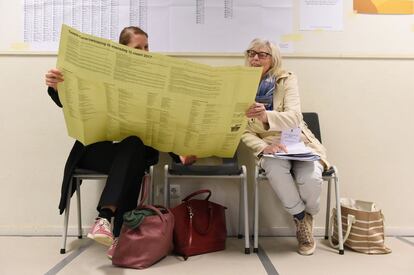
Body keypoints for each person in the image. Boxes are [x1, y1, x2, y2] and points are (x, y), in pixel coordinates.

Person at [45, 26, 196, 258]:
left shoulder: (154, 83)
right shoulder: (102, 74)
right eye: (138, 48)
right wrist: (56, 87)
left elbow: (163, 124)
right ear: (122, 50)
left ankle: (105, 218)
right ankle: (118, 235)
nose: (145, 52)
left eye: (147, 47)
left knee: (134, 146)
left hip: (131, 152)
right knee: (133, 156)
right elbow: (71, 103)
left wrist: (180, 154)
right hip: (96, 151)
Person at [241, 38, 329, 256]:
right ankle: (301, 221)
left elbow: (294, 117)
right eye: (252, 53)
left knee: (311, 179)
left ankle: (309, 214)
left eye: (261, 54)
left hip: (297, 140)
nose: (255, 58)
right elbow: (240, 128)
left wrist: (265, 115)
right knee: (274, 168)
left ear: (273, 59)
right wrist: (262, 147)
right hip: (270, 145)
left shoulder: (286, 79)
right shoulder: (240, 84)